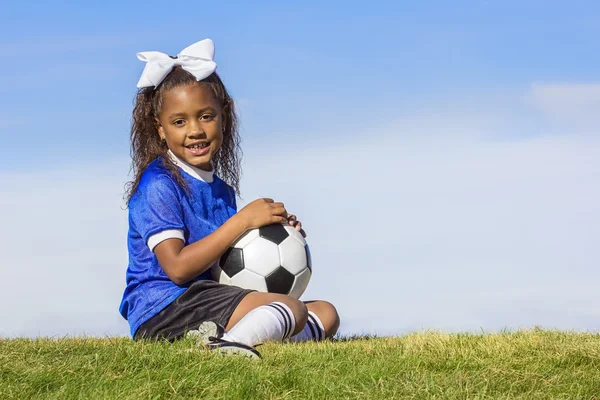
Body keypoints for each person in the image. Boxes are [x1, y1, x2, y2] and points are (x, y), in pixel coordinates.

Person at [119, 39, 340, 358]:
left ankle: (254, 333)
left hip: (205, 297)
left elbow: (220, 266)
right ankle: (229, 345)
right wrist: (243, 221)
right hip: (163, 309)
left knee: (326, 312)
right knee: (292, 309)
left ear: (224, 117)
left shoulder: (221, 190)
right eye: (179, 122)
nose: (194, 130)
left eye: (206, 116)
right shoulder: (158, 183)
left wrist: (273, 235)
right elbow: (179, 269)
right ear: (161, 129)